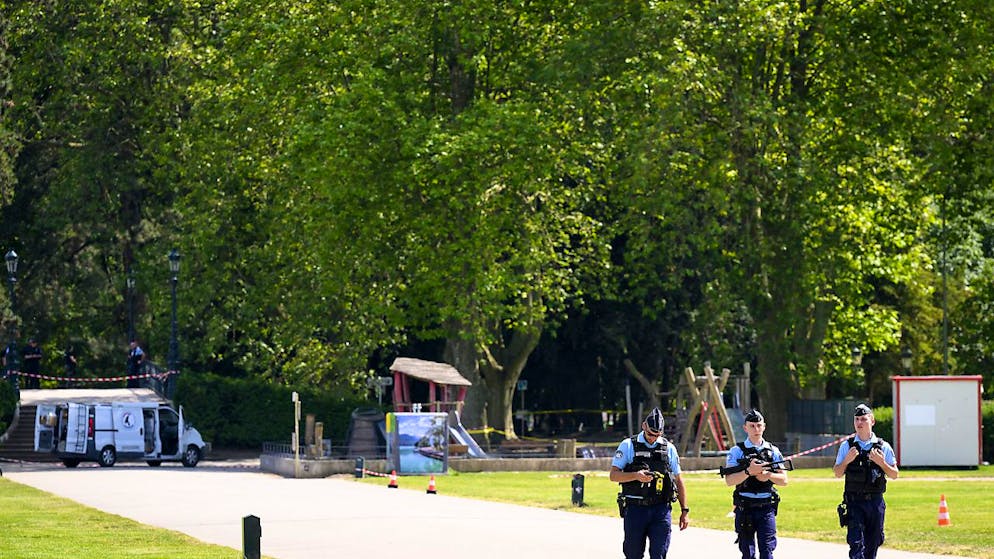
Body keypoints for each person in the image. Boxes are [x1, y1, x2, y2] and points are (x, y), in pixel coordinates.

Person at [610, 408, 689, 559]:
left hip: (661, 510)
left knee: (659, 554)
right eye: (650, 434)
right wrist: (635, 476)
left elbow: (678, 480)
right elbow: (613, 475)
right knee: (633, 554)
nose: (653, 438)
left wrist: (684, 511)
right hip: (635, 509)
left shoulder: (669, 449)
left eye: (657, 435)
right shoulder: (628, 445)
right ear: (643, 426)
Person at [833, 404, 899, 559]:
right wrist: (846, 461)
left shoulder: (883, 447)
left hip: (875, 503)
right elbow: (837, 473)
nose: (859, 423)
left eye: (863, 419)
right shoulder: (847, 446)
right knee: (856, 544)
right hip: (854, 502)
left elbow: (895, 474)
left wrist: (882, 463)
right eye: (856, 419)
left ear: (872, 421)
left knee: (872, 544)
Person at [723, 409, 789, 559]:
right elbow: (729, 480)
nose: (756, 429)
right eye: (752, 426)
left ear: (764, 426)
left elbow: (784, 480)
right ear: (745, 428)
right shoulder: (737, 451)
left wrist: (768, 475)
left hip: (766, 507)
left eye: (759, 425)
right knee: (747, 552)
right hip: (745, 507)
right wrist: (748, 472)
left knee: (767, 551)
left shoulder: (773, 451)